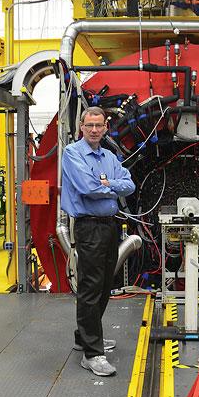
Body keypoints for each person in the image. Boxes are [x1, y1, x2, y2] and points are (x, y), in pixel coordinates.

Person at [61, 106, 135, 376]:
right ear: (82, 126)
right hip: (88, 227)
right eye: (89, 125)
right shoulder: (73, 153)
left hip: (109, 227)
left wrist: (107, 183)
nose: (94, 130)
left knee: (105, 285)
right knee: (91, 288)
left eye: (99, 125)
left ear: (106, 128)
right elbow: (87, 188)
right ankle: (92, 354)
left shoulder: (110, 156)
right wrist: (109, 186)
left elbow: (129, 185)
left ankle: (85, 336)